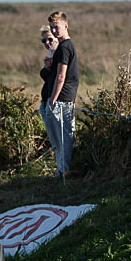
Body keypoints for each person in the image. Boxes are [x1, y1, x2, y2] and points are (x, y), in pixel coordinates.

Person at [46, 11, 80, 177]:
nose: (54, 31)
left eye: (57, 27)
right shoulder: (62, 46)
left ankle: (64, 171)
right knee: (60, 139)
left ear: (66, 26)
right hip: (63, 98)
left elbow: (61, 76)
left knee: (63, 138)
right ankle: (62, 170)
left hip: (62, 99)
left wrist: (53, 99)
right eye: (52, 28)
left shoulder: (65, 47)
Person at [38, 25, 59, 155]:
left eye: (50, 39)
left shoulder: (60, 55)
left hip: (54, 101)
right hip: (46, 101)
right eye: (44, 41)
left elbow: (57, 78)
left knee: (59, 138)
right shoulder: (50, 55)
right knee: (53, 137)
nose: (47, 43)